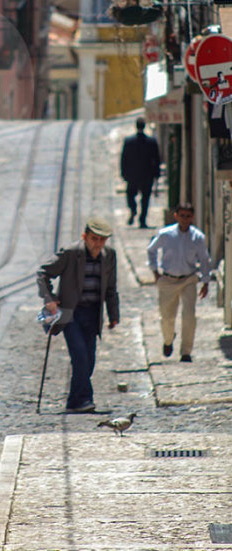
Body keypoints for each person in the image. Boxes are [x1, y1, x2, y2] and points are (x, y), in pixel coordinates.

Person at [37, 217, 120, 413]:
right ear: (85, 237)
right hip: (71, 314)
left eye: (102, 240)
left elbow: (110, 287)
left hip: (93, 314)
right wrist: (49, 299)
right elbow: (43, 273)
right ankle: (84, 399)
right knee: (80, 357)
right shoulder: (70, 253)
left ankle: (74, 402)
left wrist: (114, 314)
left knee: (89, 360)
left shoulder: (109, 255)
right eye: (94, 239)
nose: (98, 244)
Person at [146, 203, 211, 363]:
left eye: (188, 216)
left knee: (189, 316)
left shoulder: (198, 237)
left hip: (188, 279)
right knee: (167, 317)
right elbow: (151, 250)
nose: (185, 219)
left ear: (192, 217)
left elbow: (204, 259)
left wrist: (205, 282)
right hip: (168, 280)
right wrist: (155, 271)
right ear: (176, 216)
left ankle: (186, 352)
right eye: (182, 215)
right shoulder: (166, 234)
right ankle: (168, 340)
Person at [120, 117, 161, 228]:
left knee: (130, 195)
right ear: (144, 126)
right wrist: (157, 174)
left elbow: (124, 158)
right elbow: (157, 159)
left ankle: (133, 209)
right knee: (145, 198)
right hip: (147, 175)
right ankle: (142, 220)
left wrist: (123, 173)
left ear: (136, 126)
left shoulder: (129, 141)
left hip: (132, 175)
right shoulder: (151, 142)